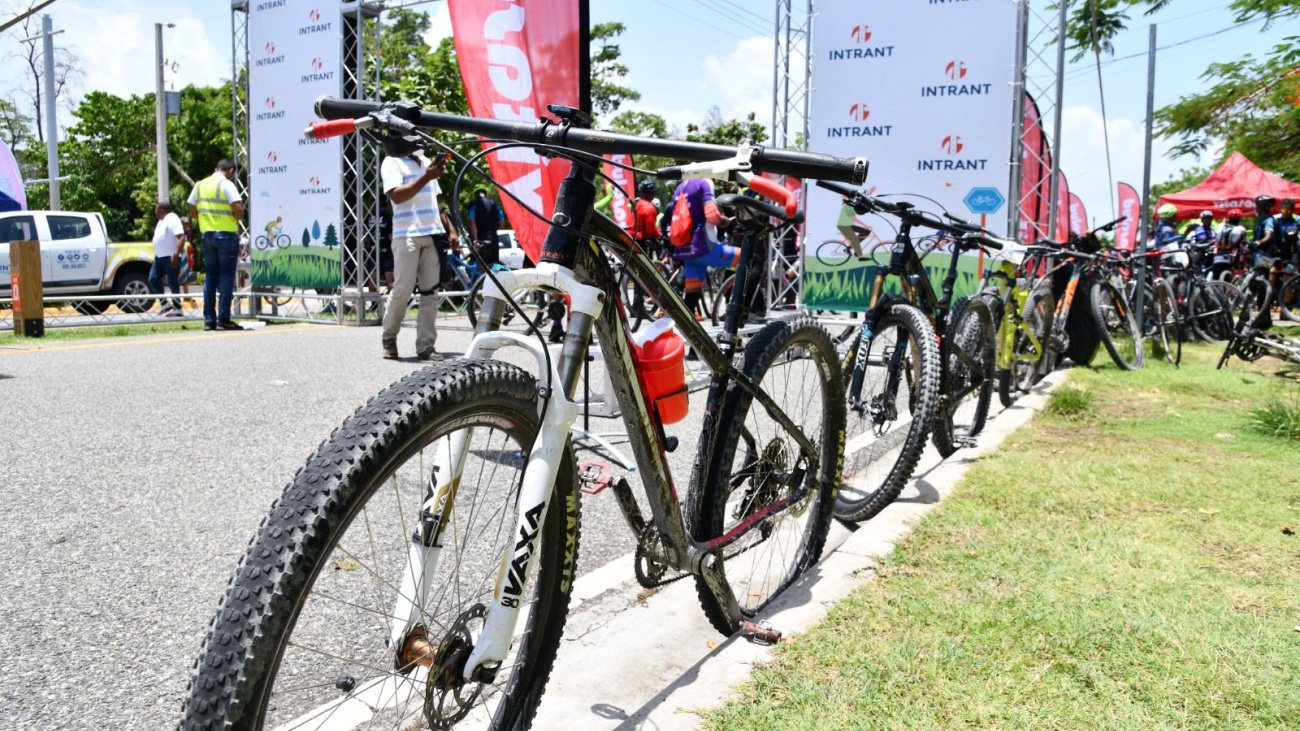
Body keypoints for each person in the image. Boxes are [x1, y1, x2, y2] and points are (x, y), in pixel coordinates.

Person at [380, 134, 448, 360]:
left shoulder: (426, 161)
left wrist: (451, 229)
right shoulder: (392, 161)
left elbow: (436, 201)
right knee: (403, 290)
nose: (420, 139)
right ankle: (389, 336)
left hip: (432, 233)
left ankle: (426, 346)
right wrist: (426, 177)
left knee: (431, 292)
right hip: (406, 234)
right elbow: (397, 197)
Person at [668, 178, 740, 321]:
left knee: (692, 294)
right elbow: (711, 215)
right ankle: (742, 309)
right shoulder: (705, 182)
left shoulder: (680, 186)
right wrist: (723, 220)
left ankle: (687, 329)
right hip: (705, 247)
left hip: (686, 250)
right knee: (748, 258)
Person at [187, 159, 244, 331]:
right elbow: (238, 208)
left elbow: (191, 207)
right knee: (226, 276)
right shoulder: (226, 184)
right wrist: (236, 218)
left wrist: (202, 219)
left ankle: (209, 320)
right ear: (231, 171)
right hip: (226, 235)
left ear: (216, 168)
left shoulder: (200, 184)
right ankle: (223, 318)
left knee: (211, 277)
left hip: (207, 235)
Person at [148, 202, 187, 317]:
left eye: (156, 209)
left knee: (172, 282)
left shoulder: (172, 218)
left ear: (162, 210)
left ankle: (178, 309)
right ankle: (165, 304)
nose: (155, 211)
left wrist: (176, 255)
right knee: (153, 278)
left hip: (170, 257)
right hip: (159, 257)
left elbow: (181, 238)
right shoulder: (161, 221)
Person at [467, 188, 504, 266]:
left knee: (480, 267)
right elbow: (501, 223)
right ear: (486, 193)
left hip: (480, 240)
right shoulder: (495, 204)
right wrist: (493, 231)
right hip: (494, 239)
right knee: (494, 265)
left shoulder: (474, 205)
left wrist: (475, 240)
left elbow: (472, 222)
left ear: (475, 195)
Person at [1212, 209, 1247, 280]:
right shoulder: (1241, 229)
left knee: (1215, 280)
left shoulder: (1220, 227)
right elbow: (1245, 241)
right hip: (1232, 259)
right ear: (1239, 219)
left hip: (1217, 258)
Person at [1251, 194, 1276, 266]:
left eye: (1258, 205)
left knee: (1262, 272)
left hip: (1266, 255)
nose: (1256, 207)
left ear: (1264, 207)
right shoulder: (1260, 220)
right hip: (1258, 253)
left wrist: (1258, 242)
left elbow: (1268, 236)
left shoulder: (1268, 220)